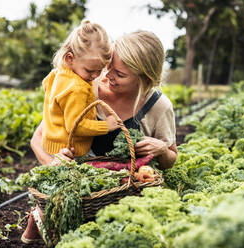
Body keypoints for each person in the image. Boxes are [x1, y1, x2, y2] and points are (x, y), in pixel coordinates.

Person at [22, 30, 178, 244]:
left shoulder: (159, 107)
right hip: (86, 198)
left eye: (120, 74)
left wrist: (161, 149)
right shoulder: (85, 87)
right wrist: (53, 163)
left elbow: (171, 159)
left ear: (145, 78)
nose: (106, 76)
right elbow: (37, 139)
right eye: (108, 67)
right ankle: (40, 216)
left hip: (128, 196)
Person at [40, 19, 119, 159]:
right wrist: (106, 126)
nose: (95, 76)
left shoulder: (58, 73)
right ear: (70, 58)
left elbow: (47, 87)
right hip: (71, 150)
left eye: (99, 70)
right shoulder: (77, 88)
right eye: (89, 70)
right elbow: (75, 126)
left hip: (53, 144)